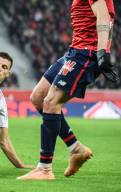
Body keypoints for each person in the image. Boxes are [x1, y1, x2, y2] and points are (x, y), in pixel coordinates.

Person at [17, 0, 119, 180]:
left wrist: (102, 51)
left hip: (86, 53)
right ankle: (76, 149)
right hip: (74, 51)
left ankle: (44, 169)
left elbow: (103, 16)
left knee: (51, 102)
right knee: (38, 97)